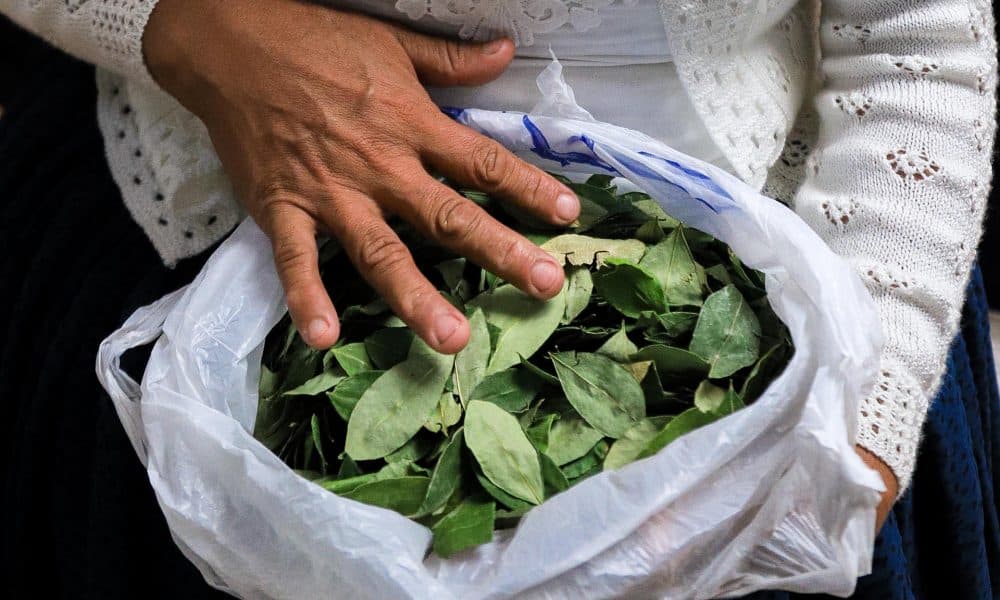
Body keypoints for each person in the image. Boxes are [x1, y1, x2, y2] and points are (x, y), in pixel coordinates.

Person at [0, 0, 996, 597]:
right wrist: (184, 24)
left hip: (789, 286)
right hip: (214, 228)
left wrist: (856, 443)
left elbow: (913, 29)